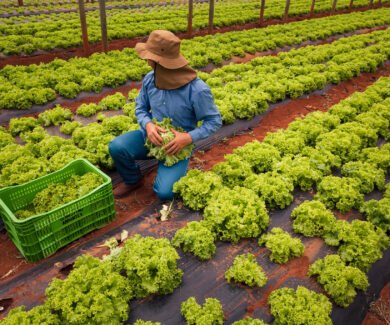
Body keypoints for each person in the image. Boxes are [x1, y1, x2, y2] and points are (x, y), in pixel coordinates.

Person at [109, 30, 222, 200]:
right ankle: (133, 180)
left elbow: (214, 120)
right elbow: (140, 107)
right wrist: (148, 125)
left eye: (149, 57)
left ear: (159, 61)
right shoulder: (150, 79)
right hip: (150, 137)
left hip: (177, 147)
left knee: (165, 193)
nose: (146, 60)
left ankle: (176, 169)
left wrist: (187, 138)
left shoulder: (197, 89)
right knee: (117, 147)